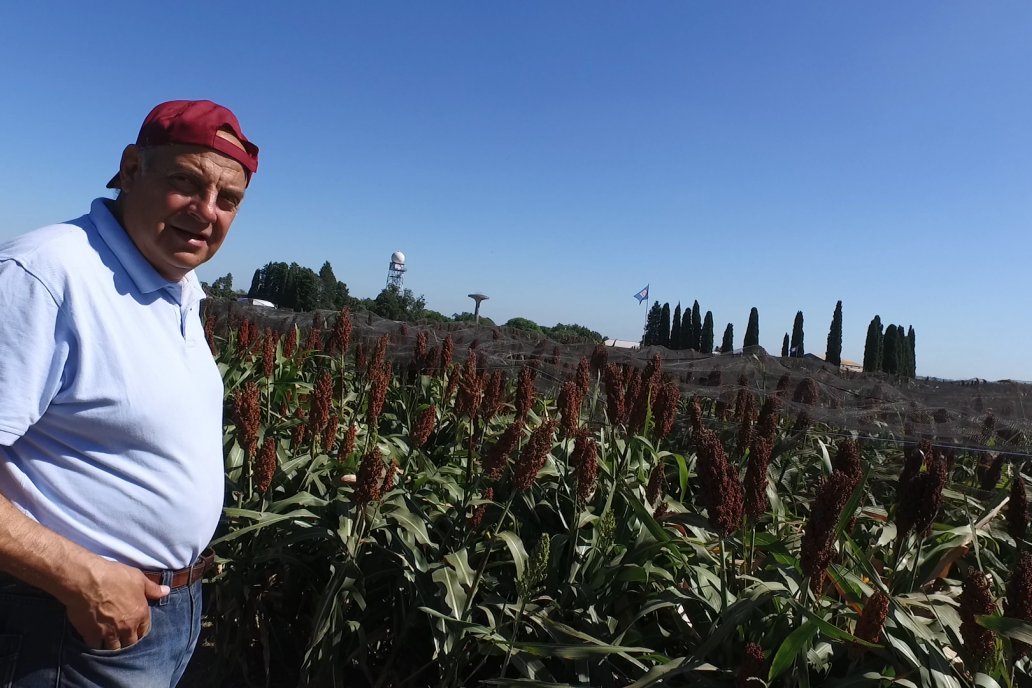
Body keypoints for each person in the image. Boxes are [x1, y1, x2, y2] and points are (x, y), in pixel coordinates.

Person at [0, 100, 259, 687]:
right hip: (65, 625)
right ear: (132, 168)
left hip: (158, 617)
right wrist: (79, 578)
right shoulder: (47, 275)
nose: (206, 211)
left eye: (228, 199)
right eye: (185, 182)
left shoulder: (178, 286)